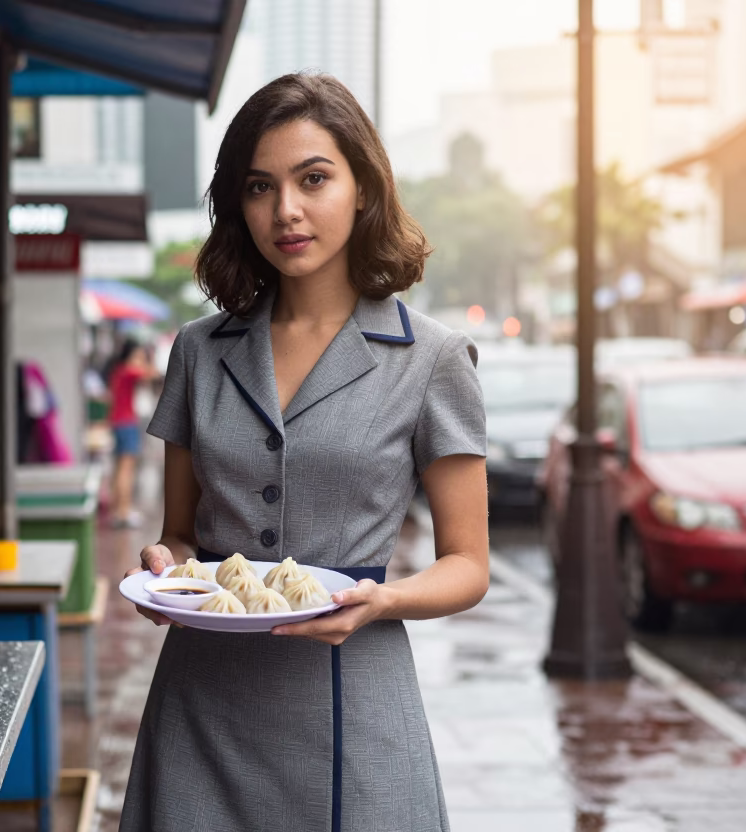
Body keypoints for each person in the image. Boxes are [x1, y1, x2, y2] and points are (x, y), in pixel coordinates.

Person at [120, 73, 489, 832]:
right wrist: (165, 566)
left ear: (363, 188)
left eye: (313, 179)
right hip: (203, 703)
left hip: (355, 700)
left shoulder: (432, 358)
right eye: (260, 186)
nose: (285, 209)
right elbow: (180, 534)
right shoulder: (198, 351)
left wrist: (385, 599)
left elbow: (468, 565)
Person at [106, 338, 156, 528]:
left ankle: (116, 509)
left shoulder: (118, 371)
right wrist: (147, 358)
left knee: (119, 467)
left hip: (118, 422)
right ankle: (124, 511)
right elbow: (152, 374)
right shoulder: (129, 370)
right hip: (127, 423)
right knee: (126, 469)